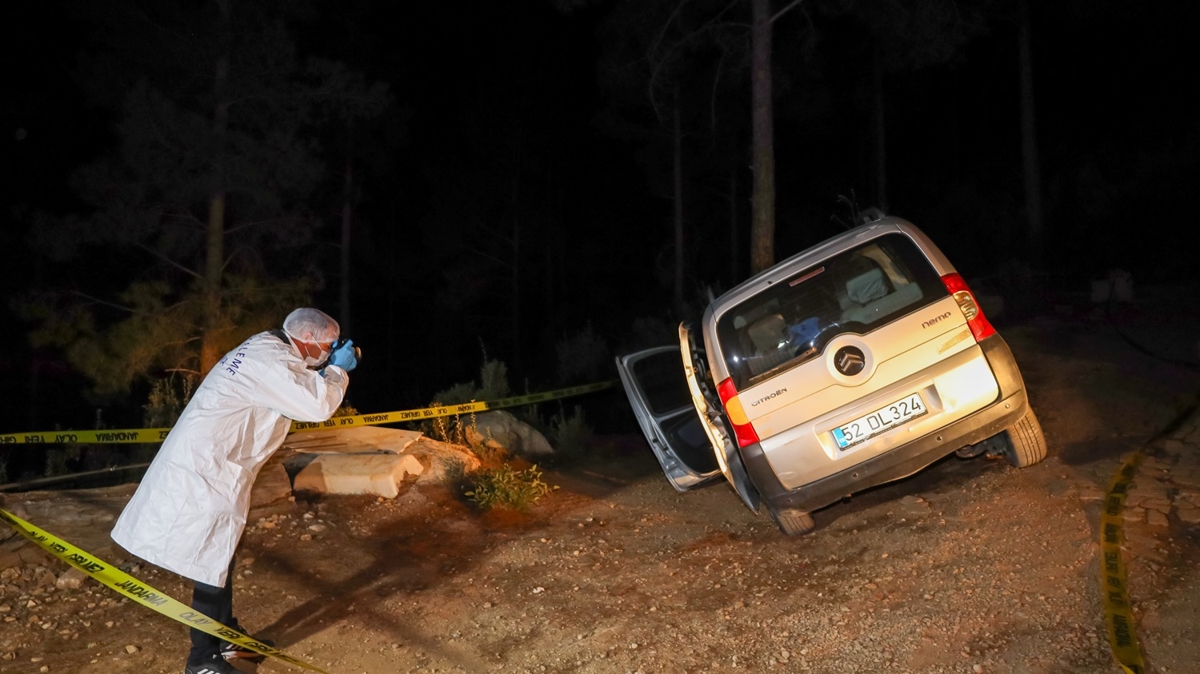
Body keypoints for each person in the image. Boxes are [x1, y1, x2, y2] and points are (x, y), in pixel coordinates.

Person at [110, 308, 358, 674]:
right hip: (205, 471)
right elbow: (317, 405)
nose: (330, 350)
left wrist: (324, 369)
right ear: (306, 339)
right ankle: (202, 660)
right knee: (210, 559)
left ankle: (226, 637)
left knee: (221, 554)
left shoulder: (270, 349)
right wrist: (337, 371)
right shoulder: (270, 361)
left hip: (216, 465)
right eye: (328, 344)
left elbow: (295, 386)